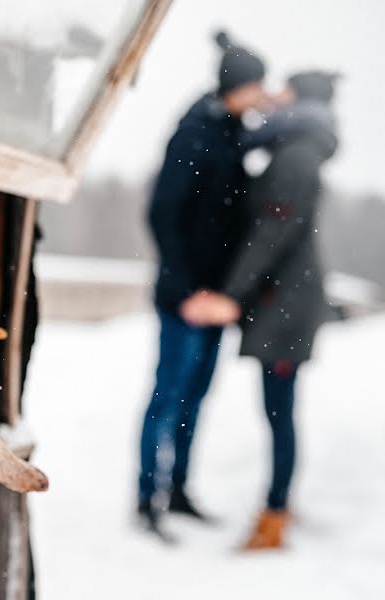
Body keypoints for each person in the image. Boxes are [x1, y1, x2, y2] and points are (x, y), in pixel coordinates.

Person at [181, 71, 340, 550]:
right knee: (278, 409)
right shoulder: (296, 147)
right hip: (281, 299)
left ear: (299, 99)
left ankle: (274, 516)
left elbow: (272, 233)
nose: (272, 98)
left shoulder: (296, 154)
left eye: (283, 91)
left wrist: (231, 293)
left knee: (279, 410)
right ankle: (278, 504)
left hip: (285, 305)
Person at [138, 31, 267, 539]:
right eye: (257, 85)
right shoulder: (194, 133)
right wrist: (187, 288)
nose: (262, 95)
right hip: (185, 297)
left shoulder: (235, 131)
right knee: (167, 395)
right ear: (239, 85)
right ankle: (147, 496)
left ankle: (179, 489)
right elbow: (162, 213)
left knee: (195, 398)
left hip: (216, 299)